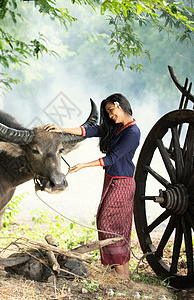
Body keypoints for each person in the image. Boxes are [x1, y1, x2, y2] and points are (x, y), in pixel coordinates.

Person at [45, 93, 140, 279]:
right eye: (108, 113)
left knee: (109, 223)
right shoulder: (117, 128)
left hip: (123, 183)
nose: (111, 116)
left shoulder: (132, 132)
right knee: (110, 223)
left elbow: (112, 158)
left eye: (112, 111)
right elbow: (90, 131)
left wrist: (83, 165)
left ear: (120, 105)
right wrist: (61, 129)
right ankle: (120, 270)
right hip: (112, 179)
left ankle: (121, 272)